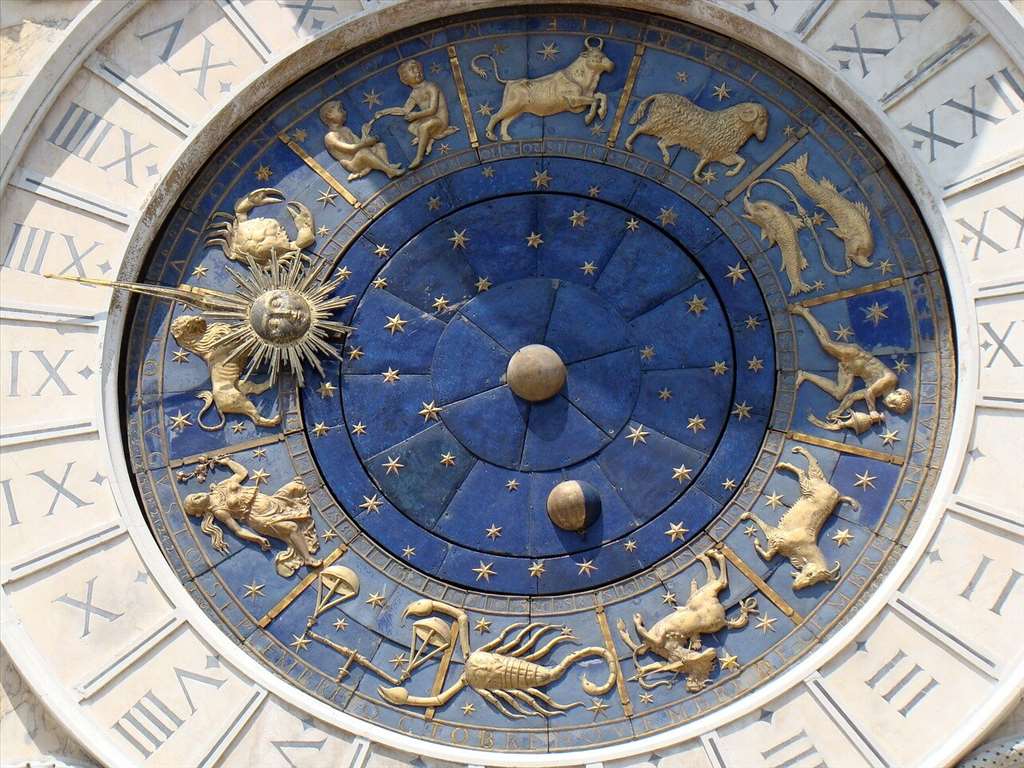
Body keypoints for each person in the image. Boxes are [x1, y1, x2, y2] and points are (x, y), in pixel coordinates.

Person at [183, 455, 321, 577]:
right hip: (259, 517)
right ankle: (307, 558)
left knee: (296, 486)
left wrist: (228, 462)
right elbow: (238, 530)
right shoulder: (219, 511)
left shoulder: (220, 486)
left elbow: (241, 473)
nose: (197, 496)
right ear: (200, 510)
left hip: (270, 502)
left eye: (194, 495)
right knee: (292, 527)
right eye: (194, 501)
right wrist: (258, 539)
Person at [790, 303, 911, 420]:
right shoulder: (891, 379)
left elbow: (851, 397)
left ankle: (804, 375)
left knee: (839, 394)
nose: (891, 406)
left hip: (851, 369)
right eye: (896, 403)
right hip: (855, 356)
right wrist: (872, 410)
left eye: (894, 408)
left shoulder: (877, 393)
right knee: (826, 344)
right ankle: (804, 312)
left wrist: (839, 411)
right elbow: (869, 392)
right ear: (899, 393)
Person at [375, 59, 458, 169]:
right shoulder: (414, 93)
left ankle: (418, 157)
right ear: (405, 79)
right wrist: (385, 112)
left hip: (440, 120)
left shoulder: (431, 87)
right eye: (412, 70)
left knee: (423, 127)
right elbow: (404, 110)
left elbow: (433, 110)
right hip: (430, 120)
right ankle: (428, 138)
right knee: (411, 127)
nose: (417, 71)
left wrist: (416, 115)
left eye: (418, 68)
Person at [319, 100, 403, 180]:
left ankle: (387, 166)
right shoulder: (330, 137)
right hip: (352, 164)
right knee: (363, 153)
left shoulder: (346, 129)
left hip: (360, 155)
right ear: (329, 115)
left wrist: (366, 135)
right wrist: (366, 143)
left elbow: (359, 142)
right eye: (340, 110)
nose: (345, 112)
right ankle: (390, 170)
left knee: (380, 146)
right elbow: (351, 149)